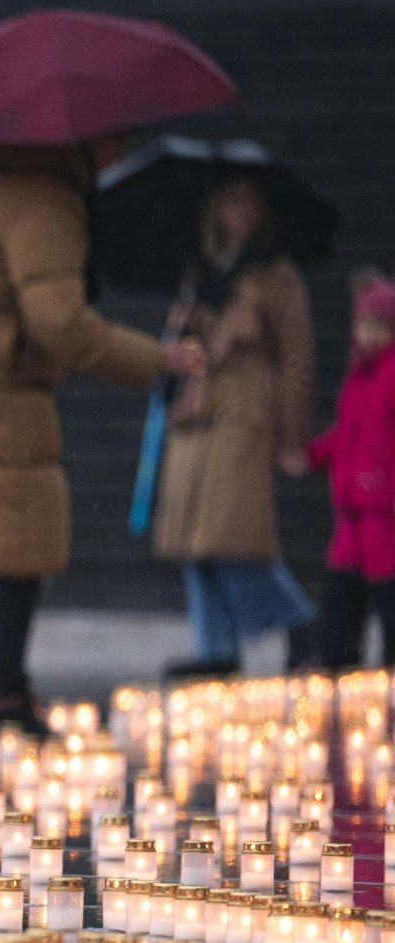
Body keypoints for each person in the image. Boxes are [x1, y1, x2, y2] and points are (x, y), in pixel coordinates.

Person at [0, 137, 203, 735]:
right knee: (24, 535)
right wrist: (158, 359)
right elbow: (62, 325)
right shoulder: (41, 199)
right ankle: (4, 691)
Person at [150, 174, 316, 678]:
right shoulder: (201, 273)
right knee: (193, 542)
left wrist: (292, 436)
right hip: (196, 415)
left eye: (247, 202)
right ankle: (216, 647)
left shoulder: (277, 276)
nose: (237, 213)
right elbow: (178, 350)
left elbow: (296, 358)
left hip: (244, 412)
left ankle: (298, 624)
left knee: (233, 537)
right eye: (228, 202)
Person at [298, 272, 395, 667]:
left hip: (384, 511)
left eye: (378, 326)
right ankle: (336, 666)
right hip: (352, 510)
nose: (368, 334)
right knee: (340, 593)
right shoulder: (359, 374)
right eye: (363, 325)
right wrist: (314, 453)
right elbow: (348, 433)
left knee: (388, 597)